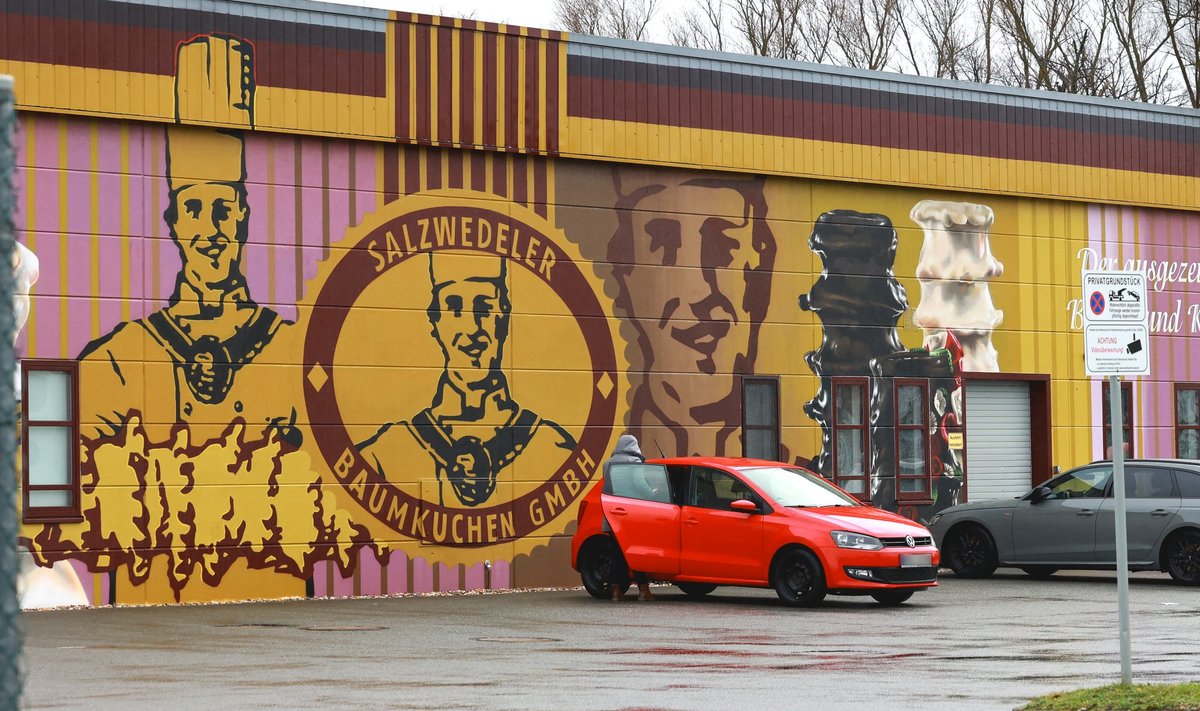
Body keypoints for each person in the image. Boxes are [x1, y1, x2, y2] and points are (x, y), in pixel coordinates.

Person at [79, 35, 295, 441]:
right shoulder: (121, 357)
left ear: (242, 219)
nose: (209, 230)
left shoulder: (288, 350)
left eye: (222, 211)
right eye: (193, 210)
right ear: (173, 222)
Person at [357, 252, 576, 507]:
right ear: (435, 322)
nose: (472, 329)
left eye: (484, 308)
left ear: (504, 319)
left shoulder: (552, 449)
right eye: (454, 308)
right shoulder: (382, 455)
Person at [608, 170, 776, 457]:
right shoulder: (626, 483)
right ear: (625, 283)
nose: (698, 294)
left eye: (724, 249)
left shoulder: (792, 484)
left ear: (758, 280)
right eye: (664, 248)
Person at [602, 434, 656, 601]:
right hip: (631, 515)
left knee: (616, 554)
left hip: (612, 514)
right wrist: (653, 493)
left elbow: (607, 486)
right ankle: (643, 591)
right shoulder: (634, 463)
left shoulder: (607, 464)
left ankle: (616, 591)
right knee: (636, 553)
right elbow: (639, 483)